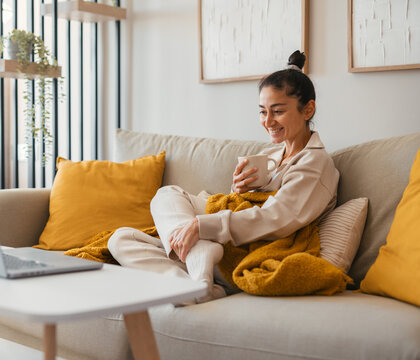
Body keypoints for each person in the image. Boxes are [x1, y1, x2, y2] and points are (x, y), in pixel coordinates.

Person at [108, 51, 340, 303]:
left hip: (252, 250)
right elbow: (240, 204)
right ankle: (198, 280)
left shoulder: (315, 163)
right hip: (222, 248)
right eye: (263, 112)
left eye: (278, 111)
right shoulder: (271, 154)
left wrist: (200, 225)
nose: (268, 121)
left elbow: (277, 218)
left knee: (175, 217)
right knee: (122, 237)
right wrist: (238, 191)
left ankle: (195, 272)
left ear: (308, 109)